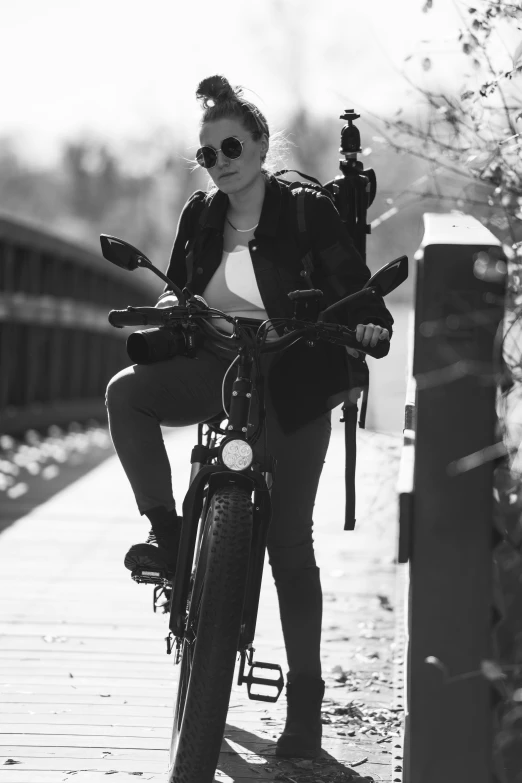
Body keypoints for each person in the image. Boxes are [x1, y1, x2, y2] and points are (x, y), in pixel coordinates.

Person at [105, 74, 393, 760]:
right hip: (217, 366)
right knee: (125, 393)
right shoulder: (201, 215)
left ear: (261, 143)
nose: (221, 158)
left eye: (232, 144)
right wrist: (172, 313)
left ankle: (305, 707)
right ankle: (173, 539)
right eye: (208, 152)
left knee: (291, 544)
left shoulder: (305, 211)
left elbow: (353, 289)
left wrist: (371, 324)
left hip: (291, 376)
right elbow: (180, 292)